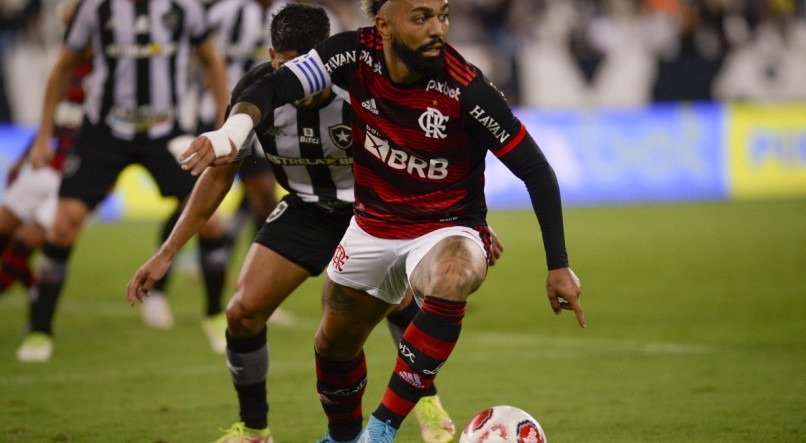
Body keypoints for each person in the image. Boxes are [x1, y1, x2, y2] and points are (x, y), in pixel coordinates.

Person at [177, 0, 585, 441]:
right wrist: (230, 133)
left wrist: (558, 263)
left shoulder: (467, 90)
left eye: (443, 15)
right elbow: (272, 87)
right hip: (371, 224)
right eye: (422, 17)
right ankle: (344, 437)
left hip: (445, 225)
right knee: (332, 344)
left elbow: (536, 169)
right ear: (384, 25)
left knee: (452, 276)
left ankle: (382, 429)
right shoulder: (349, 56)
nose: (438, 29)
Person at [127, 4, 499, 442]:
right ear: (272, 58)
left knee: (398, 304)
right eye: (289, 66)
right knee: (242, 313)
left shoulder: (363, 83)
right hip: (305, 208)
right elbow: (222, 174)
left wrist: (466, 221)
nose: (302, 81)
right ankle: (254, 430)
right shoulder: (257, 93)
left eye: (310, 65)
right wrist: (168, 252)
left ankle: (427, 404)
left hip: (377, 210)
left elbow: (432, 151)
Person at [15, 0, 231, 363]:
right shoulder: (94, 8)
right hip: (104, 133)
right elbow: (63, 67)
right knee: (64, 223)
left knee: (211, 221)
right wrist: (43, 136)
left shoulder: (186, 7)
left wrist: (225, 125)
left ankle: (213, 314)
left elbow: (212, 59)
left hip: (165, 132)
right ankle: (39, 331)